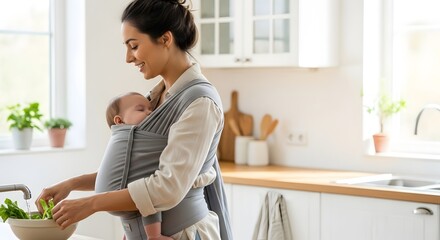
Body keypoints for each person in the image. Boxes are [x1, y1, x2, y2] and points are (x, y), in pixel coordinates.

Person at [36, 0, 232, 239]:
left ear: (165, 39)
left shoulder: (199, 103)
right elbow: (133, 173)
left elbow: (167, 187)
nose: (128, 58)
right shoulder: (156, 98)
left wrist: (92, 204)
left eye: (134, 46)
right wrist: (71, 184)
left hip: (185, 234)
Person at [103, 91, 217, 239]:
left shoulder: (145, 144)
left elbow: (150, 194)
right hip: (136, 231)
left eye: (151, 109)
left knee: (146, 191)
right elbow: (122, 183)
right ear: (119, 121)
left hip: (179, 229)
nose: (150, 113)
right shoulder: (124, 144)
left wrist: (154, 235)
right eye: (141, 109)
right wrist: (131, 230)